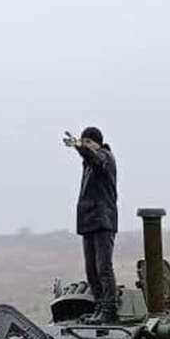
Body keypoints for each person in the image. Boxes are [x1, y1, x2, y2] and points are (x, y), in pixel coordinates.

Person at [64, 126, 118, 323]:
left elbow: (95, 161)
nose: (85, 146)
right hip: (88, 220)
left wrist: (80, 147)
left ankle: (108, 309)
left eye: (88, 142)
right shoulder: (88, 163)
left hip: (103, 219)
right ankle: (99, 307)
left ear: (97, 143)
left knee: (104, 267)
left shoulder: (105, 157)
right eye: (83, 142)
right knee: (91, 269)